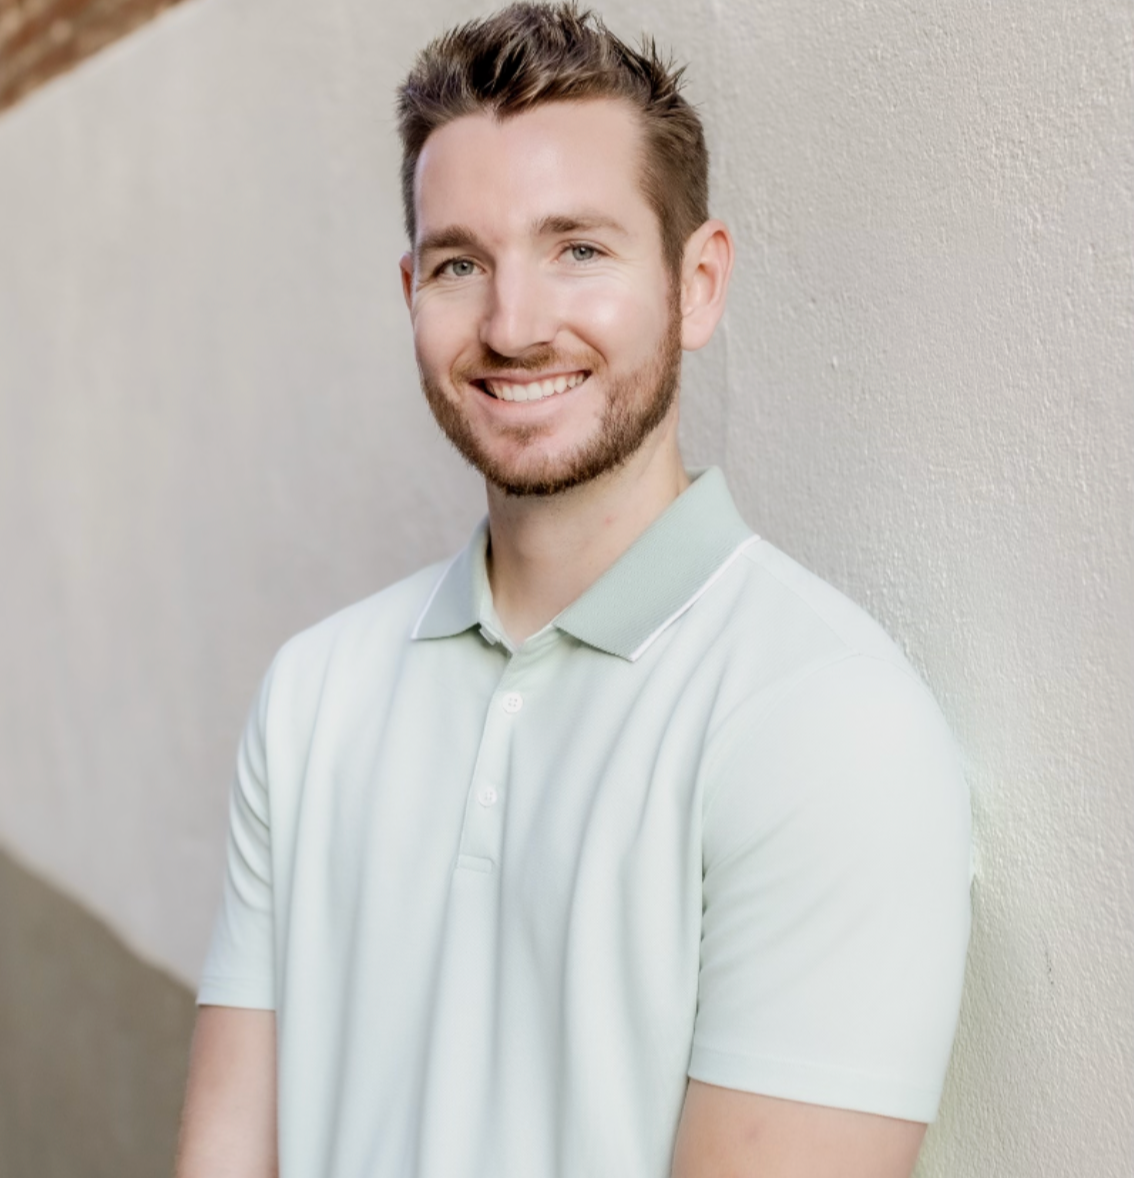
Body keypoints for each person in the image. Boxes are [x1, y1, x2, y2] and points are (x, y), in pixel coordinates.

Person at [174, 4, 972, 1176]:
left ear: (696, 284)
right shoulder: (311, 696)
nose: (512, 323)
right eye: (459, 263)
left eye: (578, 249)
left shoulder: (826, 722)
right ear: (410, 291)